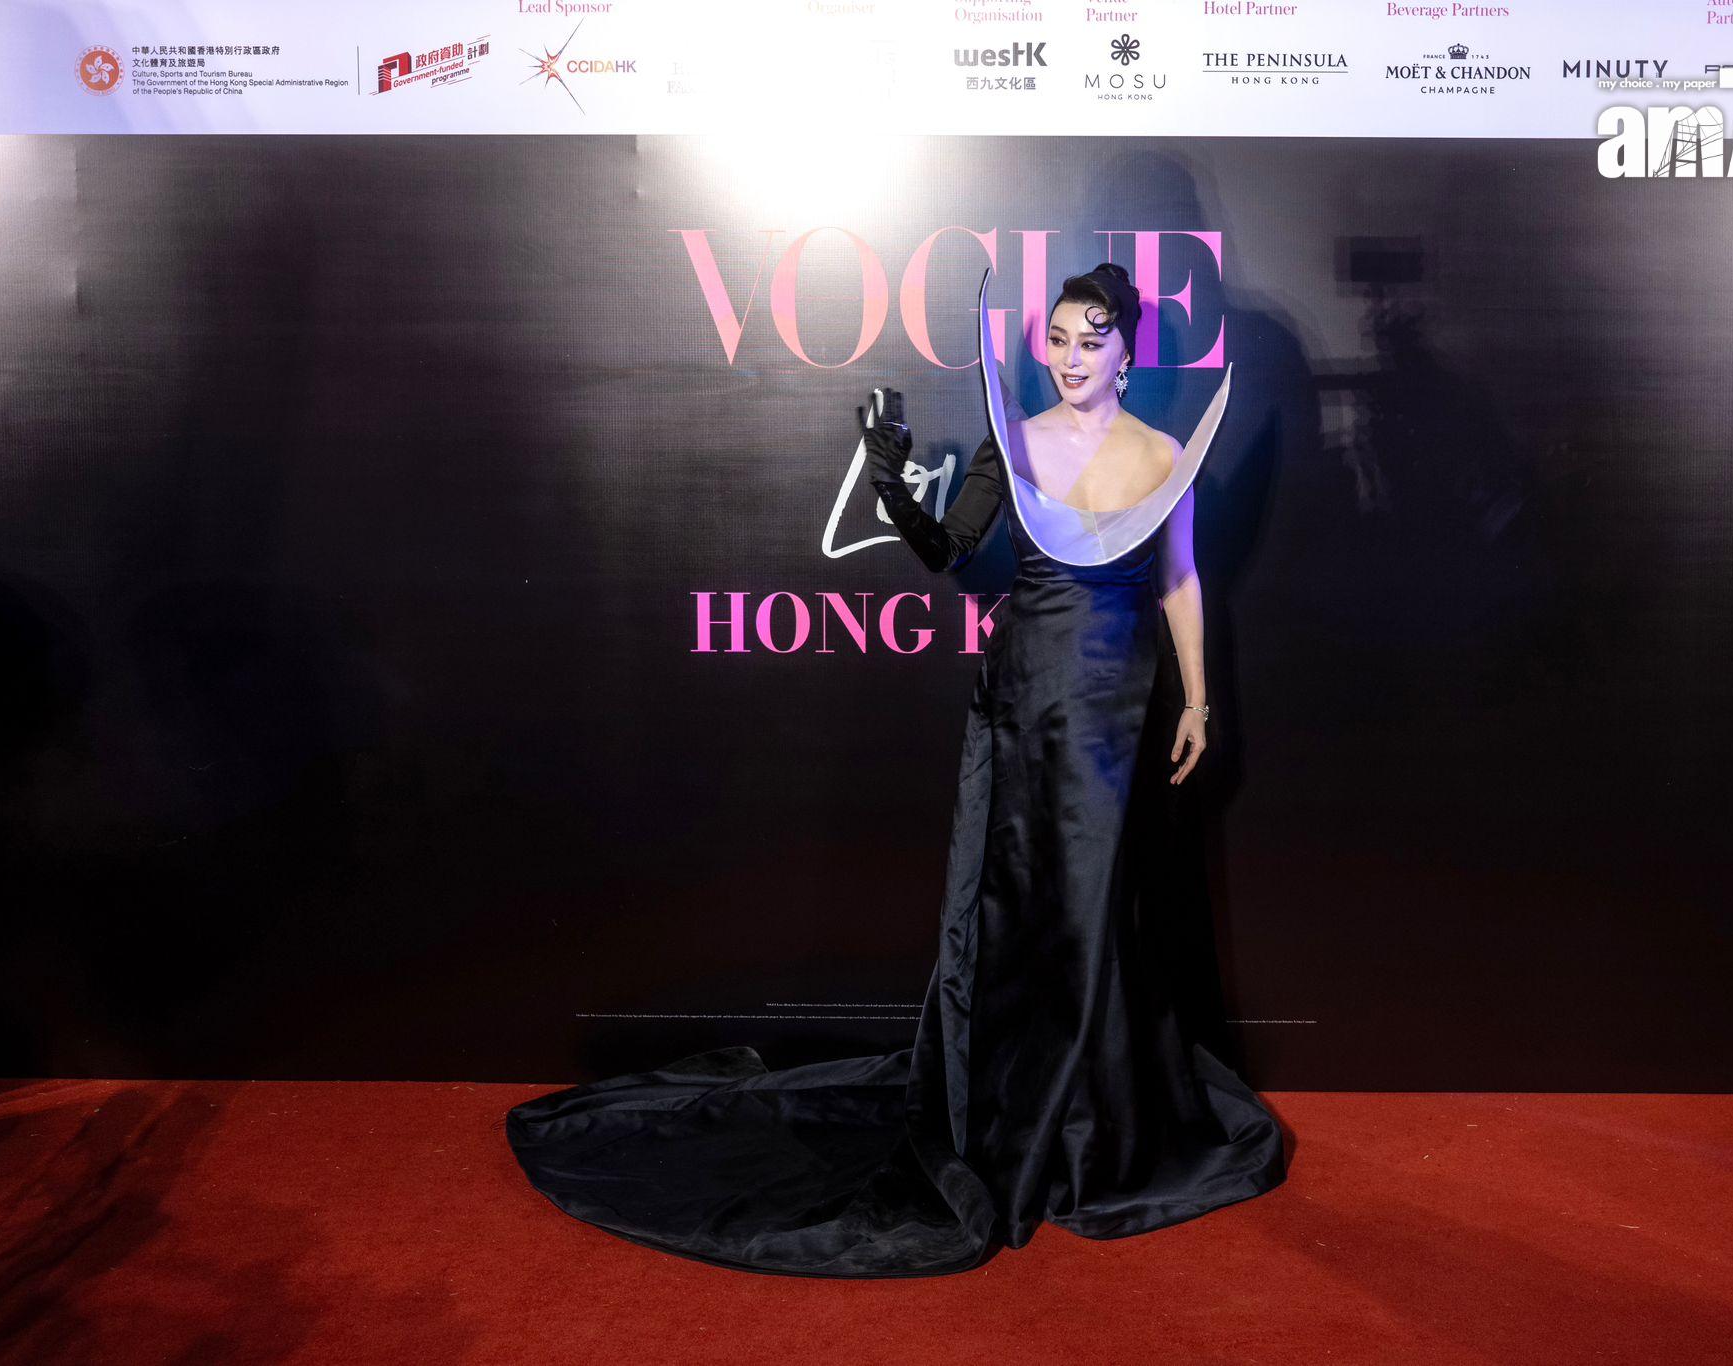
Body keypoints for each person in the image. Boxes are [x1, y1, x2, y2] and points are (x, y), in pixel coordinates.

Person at [506, 264, 1286, 1277]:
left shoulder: (1163, 454)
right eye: (1057, 338)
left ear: (1127, 353)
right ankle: (1023, 1109)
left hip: (1119, 705)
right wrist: (889, 479)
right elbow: (949, 550)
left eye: (1091, 341)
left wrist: (1197, 698)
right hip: (1025, 699)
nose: (1070, 356)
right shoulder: (1014, 442)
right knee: (1024, 908)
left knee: (1102, 909)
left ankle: (1096, 1122)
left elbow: (1179, 578)